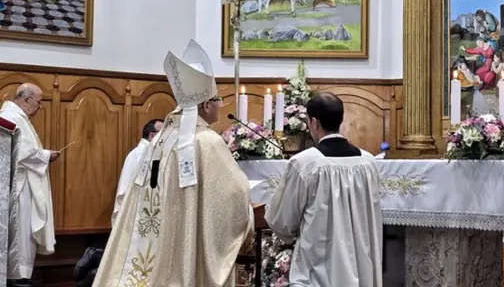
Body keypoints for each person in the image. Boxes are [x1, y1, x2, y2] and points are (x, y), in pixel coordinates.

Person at [93, 40, 253, 286]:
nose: (221, 104)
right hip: (184, 245)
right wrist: (249, 216)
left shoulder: (163, 139)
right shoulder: (207, 142)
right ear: (206, 104)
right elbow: (234, 196)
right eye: (218, 99)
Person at [266, 92, 383, 287]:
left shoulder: (304, 163)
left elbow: (282, 222)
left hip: (319, 273)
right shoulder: (368, 162)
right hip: (362, 270)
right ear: (340, 119)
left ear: (314, 123)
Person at [0, 84, 58, 285]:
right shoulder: (11, 117)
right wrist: (46, 155)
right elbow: (20, 152)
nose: (39, 107)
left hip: (23, 184)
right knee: (21, 233)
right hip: (18, 187)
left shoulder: (19, 118)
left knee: (24, 234)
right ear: (26, 100)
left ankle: (20, 276)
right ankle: (18, 277)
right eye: (38, 103)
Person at [111, 118, 162, 225]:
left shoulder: (157, 154)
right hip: (135, 213)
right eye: (162, 133)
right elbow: (125, 188)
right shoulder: (137, 155)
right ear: (152, 135)